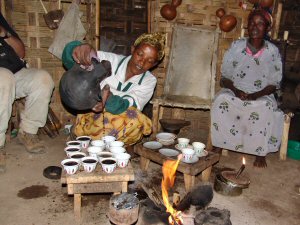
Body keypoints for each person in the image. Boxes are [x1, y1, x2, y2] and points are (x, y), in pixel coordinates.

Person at [62, 32, 166, 145]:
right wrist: (76, 49)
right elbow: (71, 61)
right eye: (140, 54)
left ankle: (103, 146)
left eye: (149, 61)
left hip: (118, 121)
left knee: (137, 121)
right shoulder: (109, 60)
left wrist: (107, 99)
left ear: (155, 64)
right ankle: (81, 133)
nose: (142, 62)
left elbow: (128, 106)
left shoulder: (149, 81)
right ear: (132, 50)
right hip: (91, 115)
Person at [211, 9, 284, 167]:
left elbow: (274, 82)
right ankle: (220, 142)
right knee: (220, 100)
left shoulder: (273, 51)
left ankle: (259, 151)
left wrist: (256, 95)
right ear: (247, 27)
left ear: (267, 28)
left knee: (266, 106)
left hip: (262, 93)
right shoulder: (237, 46)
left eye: (260, 23)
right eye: (252, 23)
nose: (255, 27)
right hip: (236, 89)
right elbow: (224, 77)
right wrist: (236, 91)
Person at [0, 13, 54, 172]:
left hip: (14, 74)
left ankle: (28, 132)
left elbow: (21, 53)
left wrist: (5, 34)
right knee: (4, 78)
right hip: (3, 78)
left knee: (42, 79)